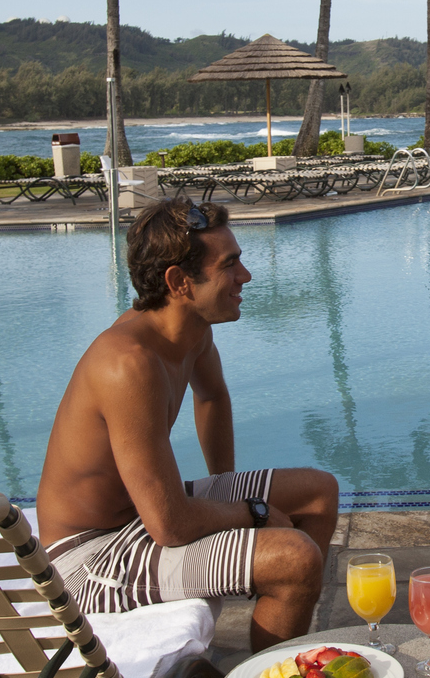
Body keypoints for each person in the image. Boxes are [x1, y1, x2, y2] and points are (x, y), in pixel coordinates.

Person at [35, 197, 338, 647]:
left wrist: (226, 485)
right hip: (89, 558)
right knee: (294, 558)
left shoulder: (191, 330)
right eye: (229, 265)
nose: (246, 277)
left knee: (318, 493)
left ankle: (277, 631)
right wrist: (252, 513)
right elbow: (170, 524)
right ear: (179, 282)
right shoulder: (127, 364)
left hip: (142, 520)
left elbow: (212, 396)